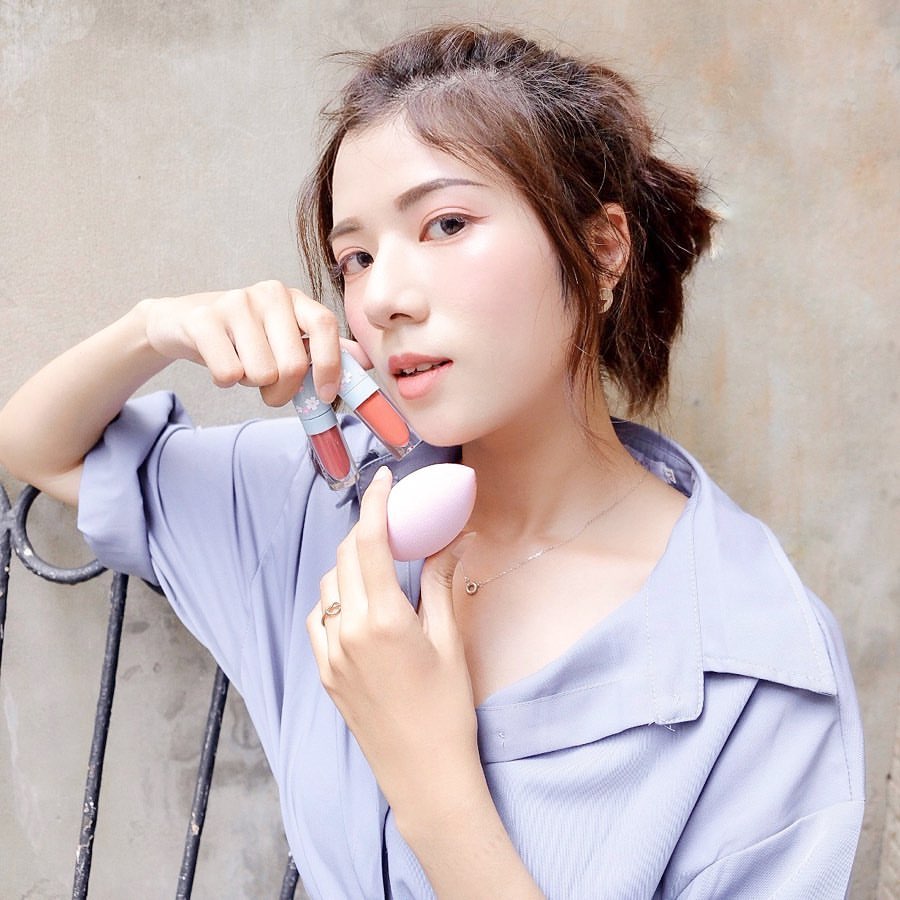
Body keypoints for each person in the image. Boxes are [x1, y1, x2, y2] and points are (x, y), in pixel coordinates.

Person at [0, 24, 864, 899]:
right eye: (356, 257)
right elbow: (38, 449)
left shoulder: (754, 667)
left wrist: (432, 785)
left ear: (603, 249)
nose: (383, 297)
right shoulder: (330, 495)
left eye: (446, 224)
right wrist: (156, 328)